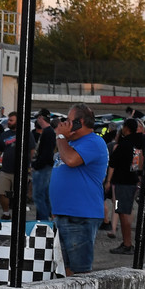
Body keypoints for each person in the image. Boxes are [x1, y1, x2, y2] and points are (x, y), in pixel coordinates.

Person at [48, 104, 108, 275]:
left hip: (81, 216)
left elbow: (71, 160)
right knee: (63, 269)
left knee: (79, 273)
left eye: (68, 121)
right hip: (65, 213)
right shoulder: (71, 142)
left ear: (79, 122)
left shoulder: (94, 141)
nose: (64, 124)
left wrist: (60, 136)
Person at [105, 118, 144, 255]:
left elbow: (113, 164)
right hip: (131, 182)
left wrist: (108, 181)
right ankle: (126, 241)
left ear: (126, 128)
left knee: (121, 211)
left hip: (122, 183)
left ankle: (127, 243)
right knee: (122, 210)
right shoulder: (138, 143)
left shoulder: (124, 144)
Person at [30, 110, 57, 221]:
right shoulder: (48, 132)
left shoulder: (48, 132)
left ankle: (43, 220)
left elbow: (46, 153)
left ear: (41, 118)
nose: (37, 120)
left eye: (38, 118)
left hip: (43, 168)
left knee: (39, 195)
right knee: (45, 195)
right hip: (45, 167)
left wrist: (36, 165)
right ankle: (46, 219)